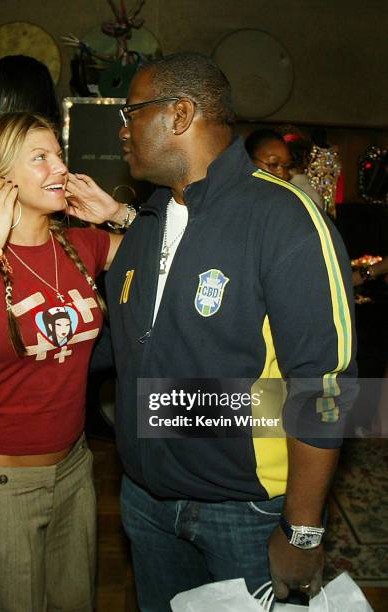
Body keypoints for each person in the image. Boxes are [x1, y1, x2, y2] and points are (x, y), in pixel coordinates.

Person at [101, 53, 356, 609]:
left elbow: (325, 385)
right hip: (146, 500)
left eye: (131, 112)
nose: (122, 130)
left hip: (245, 513)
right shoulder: (148, 221)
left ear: (180, 114)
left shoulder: (282, 217)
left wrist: (303, 530)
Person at [0, 111, 125, 611]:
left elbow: (178, 254)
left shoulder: (84, 243)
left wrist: (118, 213)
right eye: (40, 157)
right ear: (0, 178)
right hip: (3, 485)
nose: (60, 166)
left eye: (59, 153)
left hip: (76, 471)